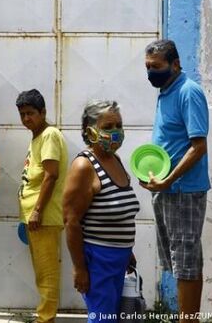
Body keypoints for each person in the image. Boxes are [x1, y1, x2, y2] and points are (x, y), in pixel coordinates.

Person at [141, 39, 209, 322]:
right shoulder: (165, 91)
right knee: (179, 262)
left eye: (156, 67)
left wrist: (168, 179)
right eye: (147, 67)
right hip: (167, 189)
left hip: (183, 191)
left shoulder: (188, 92)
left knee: (186, 264)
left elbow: (198, 145)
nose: (150, 73)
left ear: (176, 64)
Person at [63, 100, 140, 322]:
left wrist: (128, 251)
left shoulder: (115, 160)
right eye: (108, 127)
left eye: (119, 125)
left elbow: (120, 214)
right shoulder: (84, 166)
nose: (115, 132)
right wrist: (80, 268)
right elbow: (71, 221)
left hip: (120, 258)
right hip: (98, 261)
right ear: (90, 131)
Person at [16, 89, 67, 323]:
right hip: (34, 217)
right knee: (40, 272)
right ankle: (43, 316)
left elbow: (51, 175)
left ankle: (46, 319)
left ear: (43, 112)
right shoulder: (37, 136)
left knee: (47, 273)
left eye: (31, 113)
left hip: (44, 216)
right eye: (22, 114)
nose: (27, 118)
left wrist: (37, 210)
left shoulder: (49, 135)